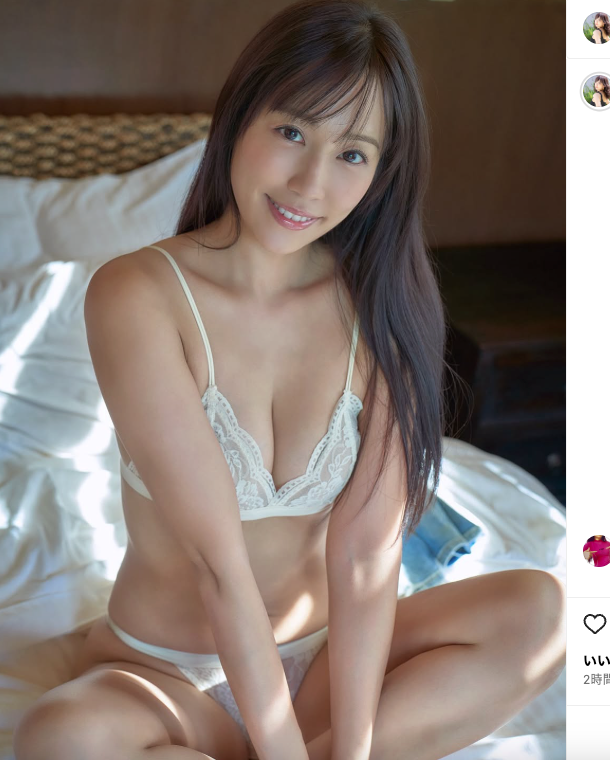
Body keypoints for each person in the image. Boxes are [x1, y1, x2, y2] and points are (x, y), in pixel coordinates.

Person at [13, 2, 566, 759]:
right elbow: (217, 565)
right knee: (63, 735)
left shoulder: (379, 303)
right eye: (293, 132)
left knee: (545, 610)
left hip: (326, 668)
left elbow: (366, 558)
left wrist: (353, 746)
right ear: (241, 116)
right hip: (166, 675)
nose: (310, 183)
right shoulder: (138, 294)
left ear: (381, 172)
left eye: (352, 154)